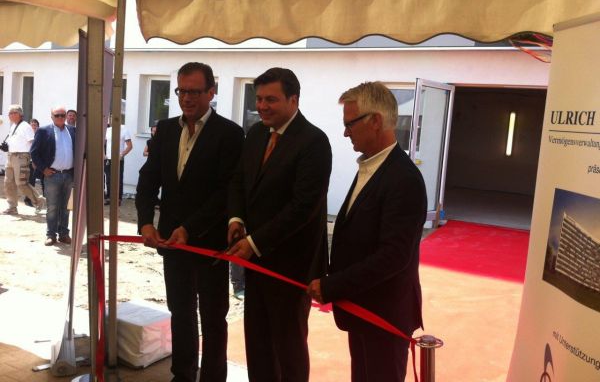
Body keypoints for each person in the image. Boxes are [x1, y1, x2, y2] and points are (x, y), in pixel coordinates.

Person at [306, 82, 427, 382]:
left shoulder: (404, 179)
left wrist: (333, 285)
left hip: (383, 313)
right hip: (362, 306)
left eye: (350, 124)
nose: (345, 133)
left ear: (375, 121)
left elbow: (393, 256)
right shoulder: (372, 167)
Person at [136, 62, 244, 382]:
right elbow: (148, 178)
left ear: (212, 92)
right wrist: (145, 222)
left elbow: (226, 192)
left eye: (194, 91)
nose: (186, 98)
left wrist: (191, 228)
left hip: (209, 244)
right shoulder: (166, 129)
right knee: (180, 312)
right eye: (181, 91)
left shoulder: (229, 134)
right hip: (172, 242)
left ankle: (213, 377)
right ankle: (182, 375)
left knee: (213, 318)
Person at [227, 67, 332, 382]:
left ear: (293, 100)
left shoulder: (314, 142)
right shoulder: (256, 134)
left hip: (291, 267)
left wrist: (254, 242)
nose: (262, 106)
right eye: (258, 99)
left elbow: (303, 208)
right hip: (255, 263)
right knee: (258, 343)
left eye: (270, 99)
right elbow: (239, 180)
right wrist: (236, 219)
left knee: (288, 348)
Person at [31, 106, 76, 246]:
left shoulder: (73, 131)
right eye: (57, 115)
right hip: (52, 175)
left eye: (63, 115)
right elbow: (34, 153)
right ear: (52, 117)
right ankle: (51, 235)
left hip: (69, 175)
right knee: (52, 207)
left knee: (66, 207)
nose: (61, 117)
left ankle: (64, 234)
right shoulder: (43, 131)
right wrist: (43, 169)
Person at [2, 105, 46, 215]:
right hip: (11, 156)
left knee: (21, 183)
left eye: (13, 113)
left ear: (19, 114)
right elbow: (16, 141)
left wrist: (34, 159)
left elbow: (32, 143)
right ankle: (12, 207)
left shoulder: (25, 126)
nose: (10, 115)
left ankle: (39, 200)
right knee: (8, 182)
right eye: (9, 113)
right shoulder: (13, 126)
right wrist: (6, 147)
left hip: (21, 157)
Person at [104, 119, 132, 205]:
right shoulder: (107, 130)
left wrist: (122, 154)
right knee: (108, 179)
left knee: (118, 179)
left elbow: (130, 146)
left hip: (118, 159)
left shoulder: (124, 130)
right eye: (111, 119)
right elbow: (103, 143)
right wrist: (103, 155)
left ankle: (118, 199)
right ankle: (109, 197)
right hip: (108, 159)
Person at [24, 118, 44, 206]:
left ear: (38, 126)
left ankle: (46, 199)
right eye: (32, 125)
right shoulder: (26, 136)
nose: (33, 126)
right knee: (30, 181)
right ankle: (28, 200)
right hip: (30, 161)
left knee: (44, 181)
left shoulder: (41, 135)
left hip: (40, 161)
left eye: (35, 125)